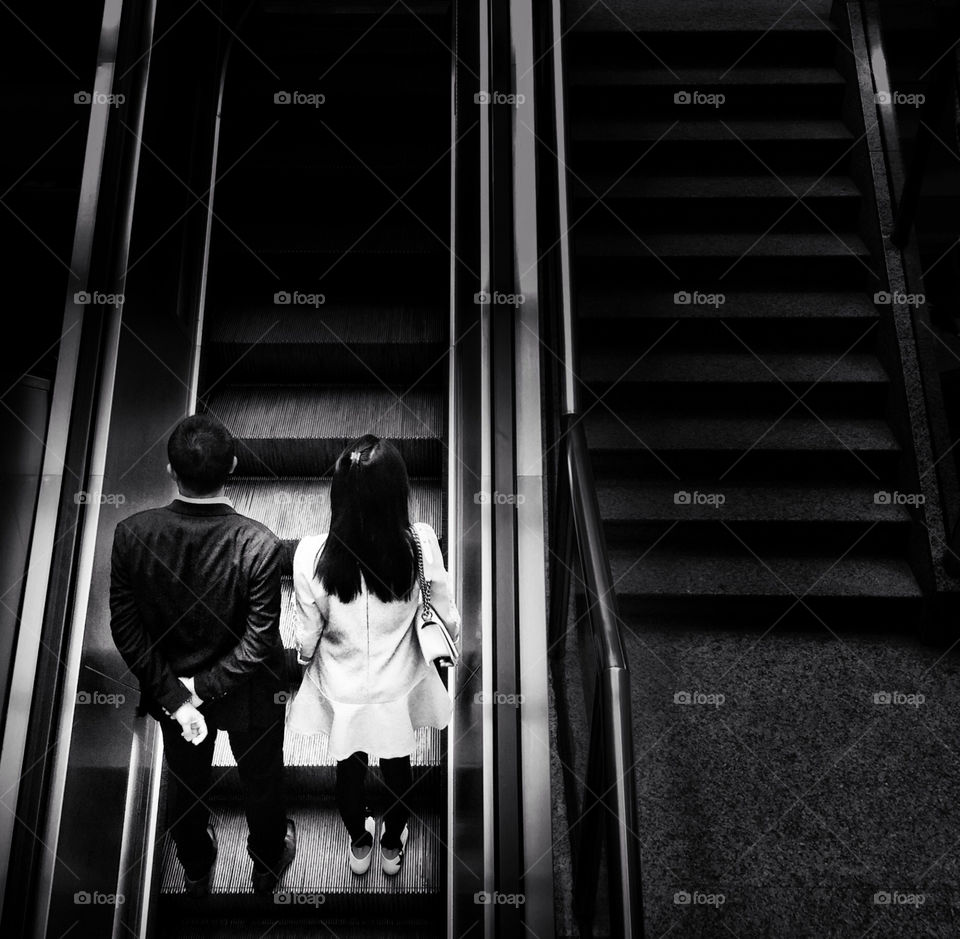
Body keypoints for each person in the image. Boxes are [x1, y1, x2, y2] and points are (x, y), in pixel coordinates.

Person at [110, 413, 296, 898]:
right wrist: (204, 688)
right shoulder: (259, 543)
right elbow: (259, 639)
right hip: (251, 694)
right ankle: (267, 862)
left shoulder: (131, 535)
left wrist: (177, 695)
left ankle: (195, 862)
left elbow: (126, 630)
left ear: (171, 471)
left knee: (187, 782)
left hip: (174, 694)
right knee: (262, 779)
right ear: (233, 465)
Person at [288, 434, 460, 876]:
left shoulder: (311, 554)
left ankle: (360, 842)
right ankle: (391, 844)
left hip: (342, 687)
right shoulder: (418, 543)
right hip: (398, 684)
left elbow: (308, 633)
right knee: (398, 762)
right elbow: (446, 615)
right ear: (398, 491)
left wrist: (304, 660)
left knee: (348, 768)